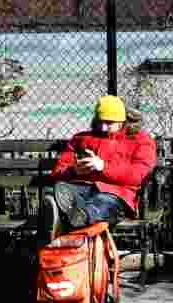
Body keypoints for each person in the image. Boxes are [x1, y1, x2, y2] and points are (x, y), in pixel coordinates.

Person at [40, 96, 157, 243]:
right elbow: (58, 172)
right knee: (58, 190)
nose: (103, 127)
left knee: (102, 202)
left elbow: (138, 176)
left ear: (122, 120)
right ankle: (67, 214)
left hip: (116, 194)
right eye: (100, 122)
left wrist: (103, 167)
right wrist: (75, 171)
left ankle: (79, 216)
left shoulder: (141, 140)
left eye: (109, 123)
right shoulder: (81, 139)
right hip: (81, 188)